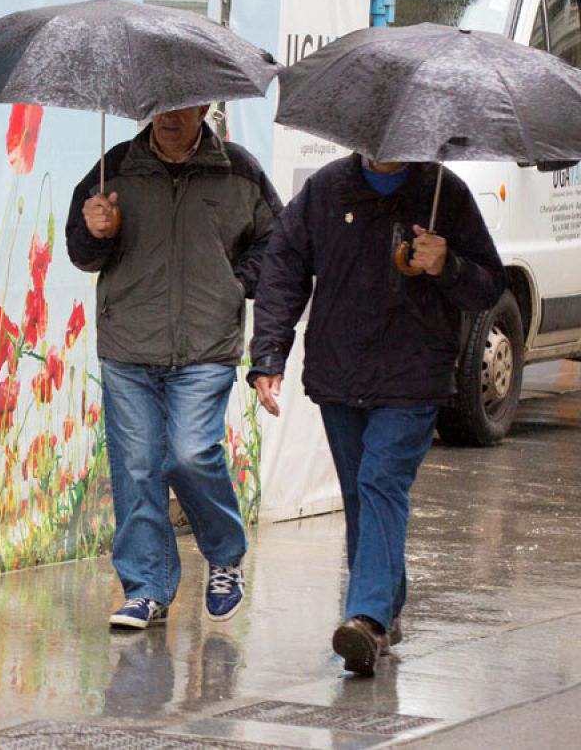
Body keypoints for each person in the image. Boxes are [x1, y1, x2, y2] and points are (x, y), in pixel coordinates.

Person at [248, 155, 503, 676]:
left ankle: (366, 619)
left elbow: (488, 286)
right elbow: (284, 268)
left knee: (381, 480)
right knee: (361, 495)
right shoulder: (326, 189)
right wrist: (268, 355)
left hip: (414, 375)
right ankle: (387, 604)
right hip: (340, 373)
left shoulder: (443, 193)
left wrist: (446, 264)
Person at [66, 104, 281, 630]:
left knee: (189, 454)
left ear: (206, 105)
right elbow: (80, 251)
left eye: (182, 103)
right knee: (136, 467)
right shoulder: (112, 169)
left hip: (206, 344)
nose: (168, 114)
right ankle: (146, 588)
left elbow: (278, 243)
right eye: (159, 103)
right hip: (128, 344)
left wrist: (237, 282)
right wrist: (98, 231)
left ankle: (225, 554)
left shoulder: (239, 170)